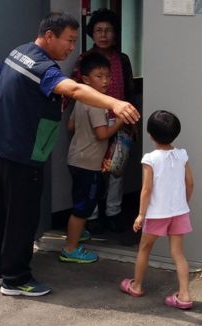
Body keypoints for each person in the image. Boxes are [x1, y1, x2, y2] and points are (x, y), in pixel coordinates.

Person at [0, 12, 140, 297]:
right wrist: (114, 102)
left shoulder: (19, 53)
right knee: (22, 216)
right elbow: (74, 89)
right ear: (49, 36)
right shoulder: (42, 66)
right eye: (69, 40)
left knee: (0, 210)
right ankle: (16, 279)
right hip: (19, 153)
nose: (72, 48)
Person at [119, 110, 195, 310]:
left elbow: (146, 189)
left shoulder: (150, 159)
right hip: (179, 212)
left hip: (156, 214)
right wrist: (183, 202)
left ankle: (136, 285)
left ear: (150, 134)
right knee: (178, 253)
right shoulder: (182, 154)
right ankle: (185, 295)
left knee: (145, 248)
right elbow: (190, 183)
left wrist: (141, 214)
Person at [72, 8, 136, 233]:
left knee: (116, 170)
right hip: (93, 124)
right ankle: (91, 216)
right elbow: (76, 90)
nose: (103, 35)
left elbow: (129, 90)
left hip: (120, 121)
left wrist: (130, 122)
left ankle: (113, 213)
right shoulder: (84, 60)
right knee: (92, 170)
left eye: (108, 30)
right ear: (92, 33)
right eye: (99, 30)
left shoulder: (123, 59)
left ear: (115, 34)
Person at [60, 52, 124, 264]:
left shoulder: (81, 99)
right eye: (99, 76)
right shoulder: (98, 104)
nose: (105, 80)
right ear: (85, 79)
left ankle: (77, 234)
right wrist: (120, 121)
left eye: (108, 76)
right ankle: (70, 249)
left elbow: (70, 126)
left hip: (76, 158)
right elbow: (102, 134)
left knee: (81, 201)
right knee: (83, 207)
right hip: (88, 164)